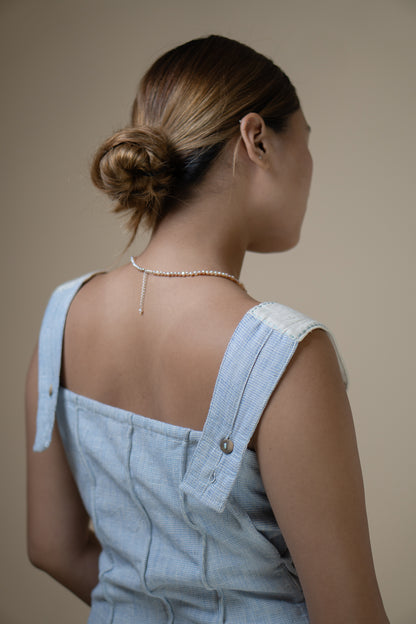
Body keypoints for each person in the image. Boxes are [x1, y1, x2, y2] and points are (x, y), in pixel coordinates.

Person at [25, 35, 389, 623]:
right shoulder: (286, 356)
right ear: (257, 138)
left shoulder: (63, 316)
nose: (312, 165)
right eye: (307, 139)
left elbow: (52, 548)